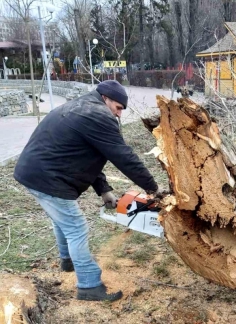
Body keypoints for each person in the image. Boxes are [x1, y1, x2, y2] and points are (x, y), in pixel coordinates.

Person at [14, 80, 162, 302]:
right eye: (118, 108)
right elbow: (124, 157)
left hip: (34, 172)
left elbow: (88, 155)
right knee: (76, 227)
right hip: (48, 177)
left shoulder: (81, 107)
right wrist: (154, 188)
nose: (120, 114)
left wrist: (104, 190)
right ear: (106, 99)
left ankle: (68, 261)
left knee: (62, 222)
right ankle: (89, 285)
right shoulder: (98, 115)